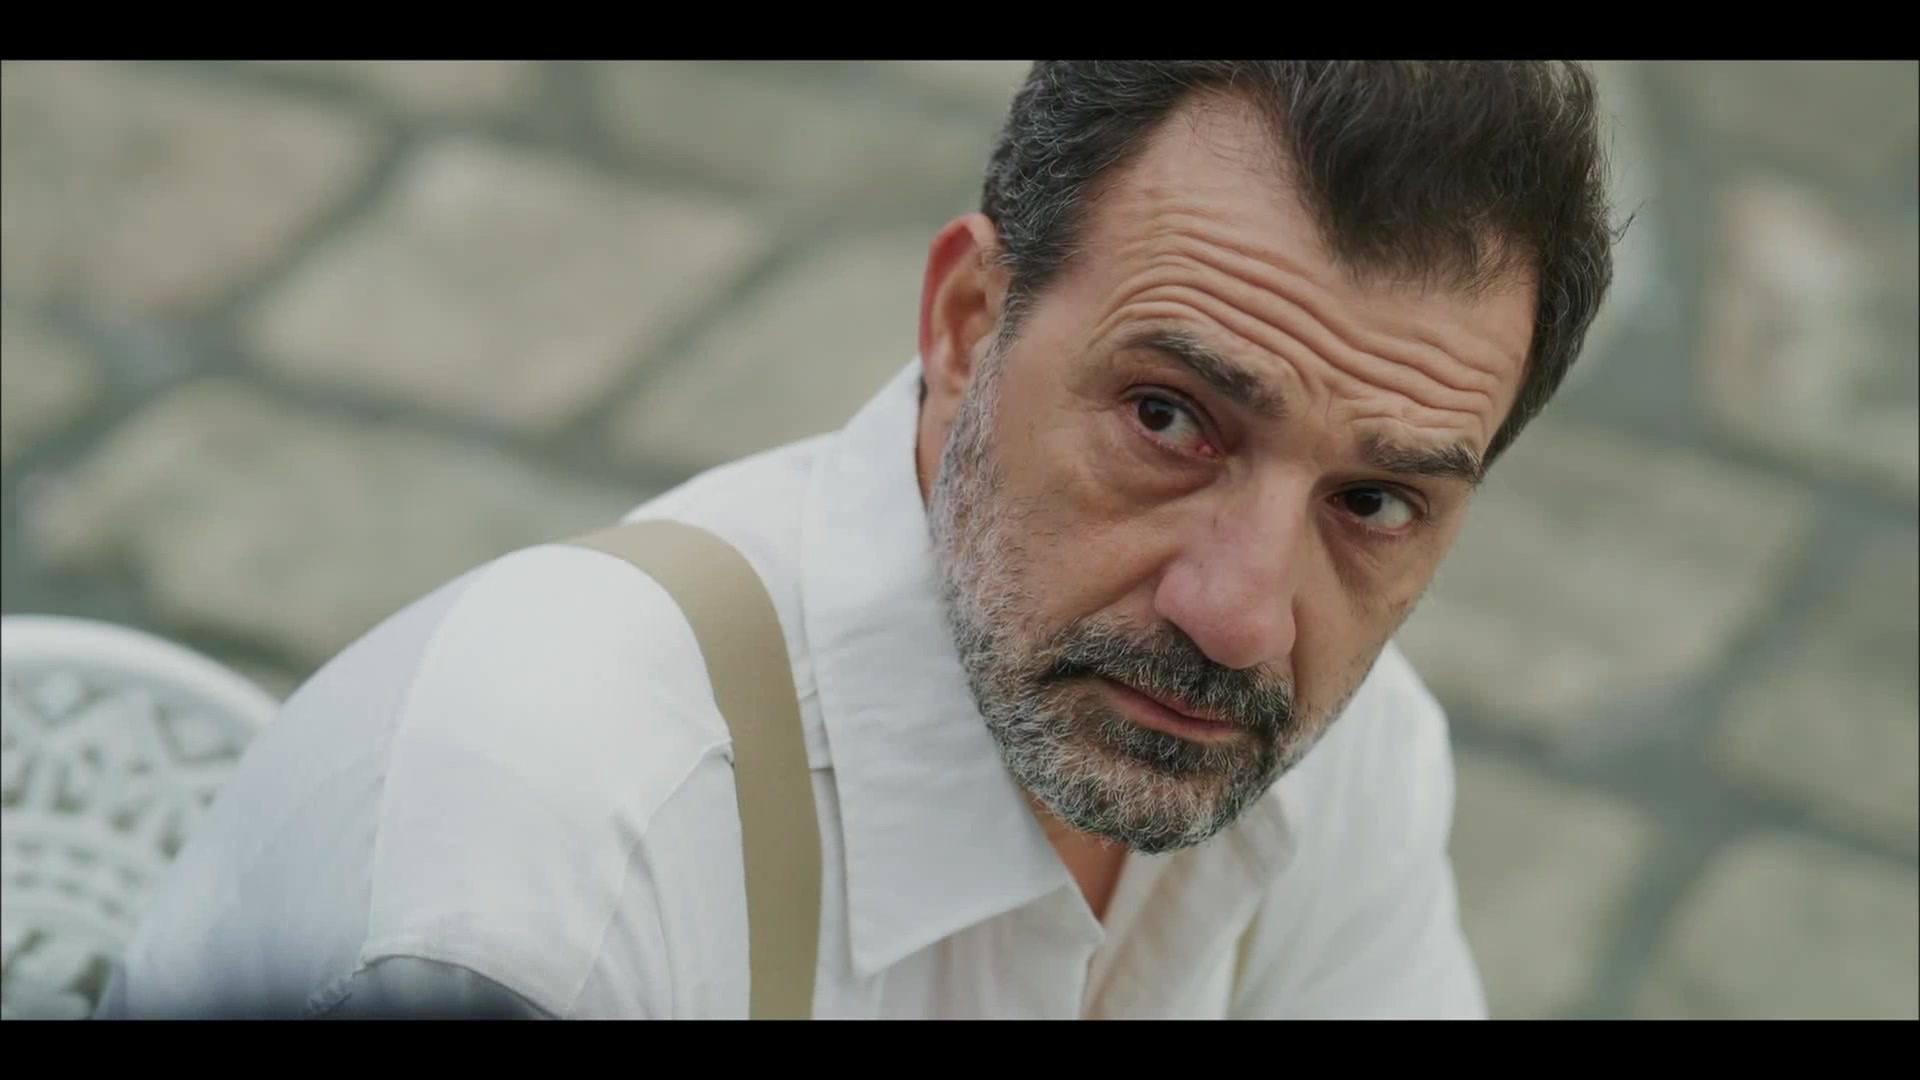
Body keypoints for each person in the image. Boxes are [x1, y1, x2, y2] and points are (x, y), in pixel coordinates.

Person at [97, 60, 1621, 1020]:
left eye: (1374, 503)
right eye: (1170, 419)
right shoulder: (537, 905)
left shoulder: (1352, 764)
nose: (1242, 617)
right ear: (966, 325)